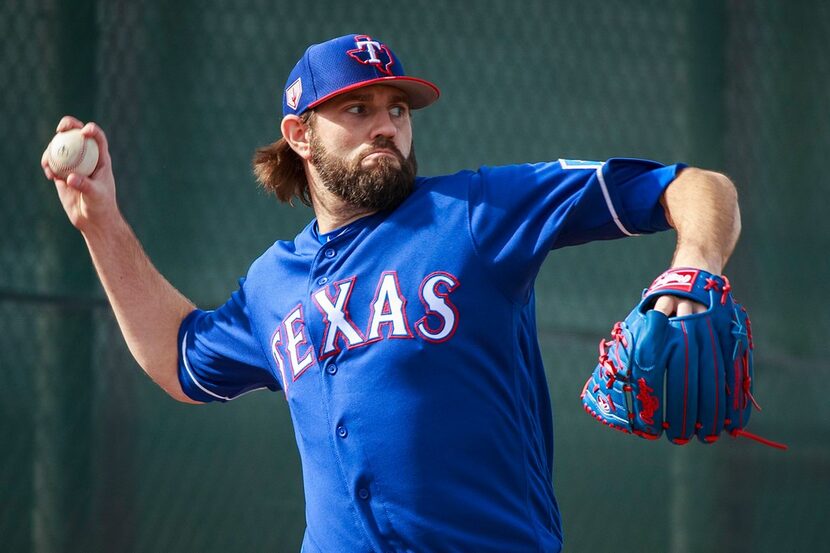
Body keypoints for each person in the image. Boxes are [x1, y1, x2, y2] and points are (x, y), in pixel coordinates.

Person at [42, 34, 740, 552]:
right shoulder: (271, 284)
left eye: (397, 108)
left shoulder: (476, 210)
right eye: (358, 106)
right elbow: (177, 355)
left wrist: (694, 263)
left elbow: (695, 185)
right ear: (299, 135)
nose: (387, 124)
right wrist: (99, 221)